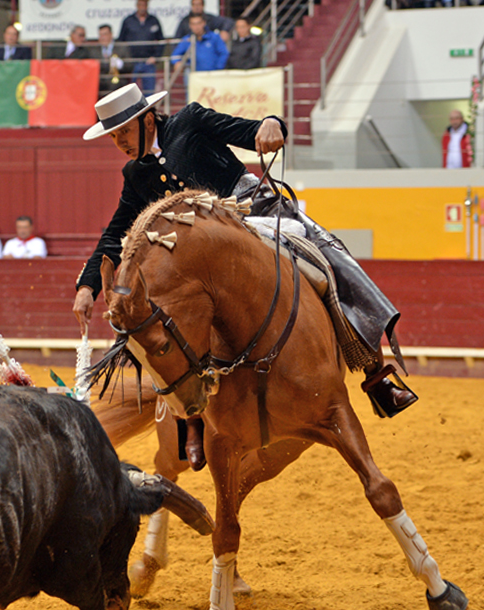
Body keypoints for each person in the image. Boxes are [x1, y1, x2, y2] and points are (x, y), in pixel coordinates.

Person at [74, 84, 417, 467]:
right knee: (163, 316)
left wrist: (272, 124)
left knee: (328, 255)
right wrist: (88, 284)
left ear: (148, 120)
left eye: (123, 131)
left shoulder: (189, 121)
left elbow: (252, 130)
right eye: (113, 136)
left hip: (254, 214)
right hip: (202, 258)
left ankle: (376, 375)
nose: (119, 141)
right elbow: (114, 231)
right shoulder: (136, 173)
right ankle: (193, 421)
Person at [117, 0, 163, 96]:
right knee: (129, 92)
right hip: (131, 63)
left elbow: (161, 41)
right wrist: (125, 58)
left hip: (149, 62)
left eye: (144, 5)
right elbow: (121, 41)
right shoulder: (128, 21)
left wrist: (156, 57)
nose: (142, 7)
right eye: (140, 5)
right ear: (136, 5)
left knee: (149, 93)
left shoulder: (154, 20)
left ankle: (148, 111)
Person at [95, 24, 124, 97]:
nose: (102, 38)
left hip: (118, 83)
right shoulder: (94, 50)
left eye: (105, 34)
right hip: (100, 83)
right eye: (100, 35)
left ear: (111, 35)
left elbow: (130, 66)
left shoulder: (121, 47)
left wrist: (120, 65)